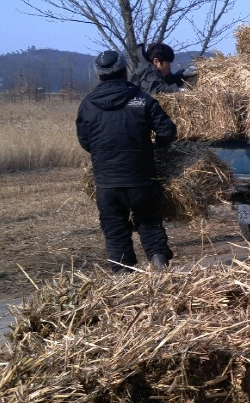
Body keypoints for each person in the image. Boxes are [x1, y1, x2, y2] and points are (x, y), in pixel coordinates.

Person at [76, 50, 178, 271]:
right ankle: (160, 269)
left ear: (99, 76)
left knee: (114, 230)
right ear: (125, 72)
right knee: (150, 224)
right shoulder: (142, 100)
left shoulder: (88, 104)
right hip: (141, 178)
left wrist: (104, 153)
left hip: (107, 181)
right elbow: (168, 131)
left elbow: (85, 142)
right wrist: (155, 148)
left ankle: (123, 280)